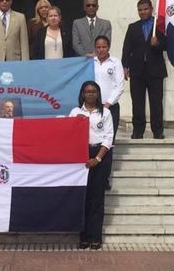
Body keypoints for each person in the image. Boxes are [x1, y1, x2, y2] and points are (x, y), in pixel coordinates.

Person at [69, 81, 114, 250]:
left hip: (100, 155)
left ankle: (95, 237)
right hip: (80, 157)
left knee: (96, 199)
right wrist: (74, 122)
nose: (90, 94)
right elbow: (66, 134)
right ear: (82, 94)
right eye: (87, 92)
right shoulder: (75, 112)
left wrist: (98, 158)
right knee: (83, 198)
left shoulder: (106, 113)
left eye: (93, 91)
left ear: (98, 93)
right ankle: (84, 237)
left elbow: (108, 137)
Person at [121, 0, 167, 139]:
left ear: (151, 9)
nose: (143, 12)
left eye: (145, 9)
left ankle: (157, 131)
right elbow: (126, 48)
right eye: (140, 10)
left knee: (156, 103)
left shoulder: (159, 26)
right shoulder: (133, 27)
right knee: (137, 102)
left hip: (155, 70)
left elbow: (167, 45)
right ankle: (138, 130)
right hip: (137, 71)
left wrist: (157, 43)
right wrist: (125, 66)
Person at [93, 35, 124, 191]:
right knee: (94, 142)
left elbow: (120, 86)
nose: (101, 50)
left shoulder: (116, 62)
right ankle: (94, 176)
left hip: (110, 108)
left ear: (109, 47)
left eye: (104, 47)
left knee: (108, 143)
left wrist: (108, 103)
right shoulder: (90, 63)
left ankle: (105, 178)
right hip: (93, 108)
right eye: (98, 47)